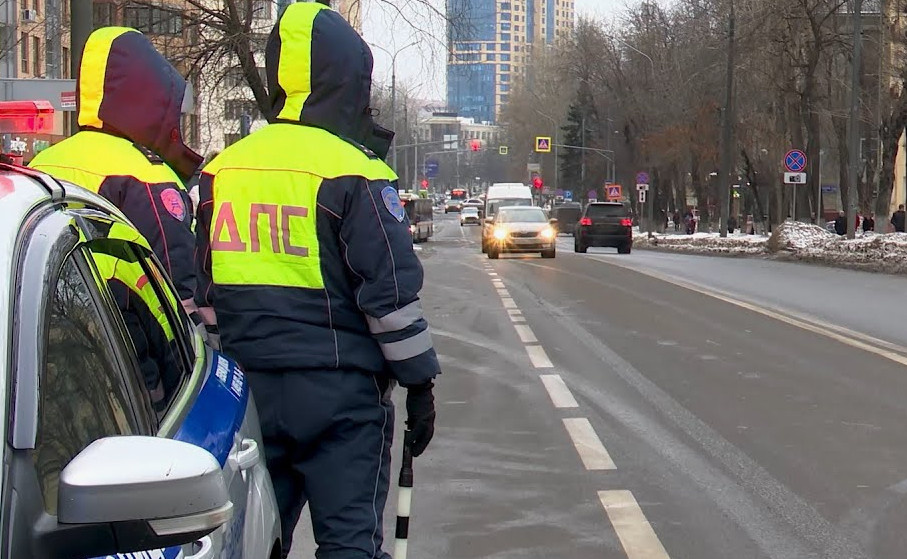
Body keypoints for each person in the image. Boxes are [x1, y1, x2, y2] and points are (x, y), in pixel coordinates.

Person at [193, 4, 439, 558]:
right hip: (341, 400)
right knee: (349, 545)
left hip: (249, 394)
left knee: (255, 540)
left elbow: (205, 294)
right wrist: (420, 383)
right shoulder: (358, 171)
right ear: (350, 79)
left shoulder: (223, 170)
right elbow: (391, 298)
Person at [30, 27, 201, 310]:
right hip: (127, 331)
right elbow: (177, 279)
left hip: (46, 316)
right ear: (150, 99)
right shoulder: (148, 174)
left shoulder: (43, 161)